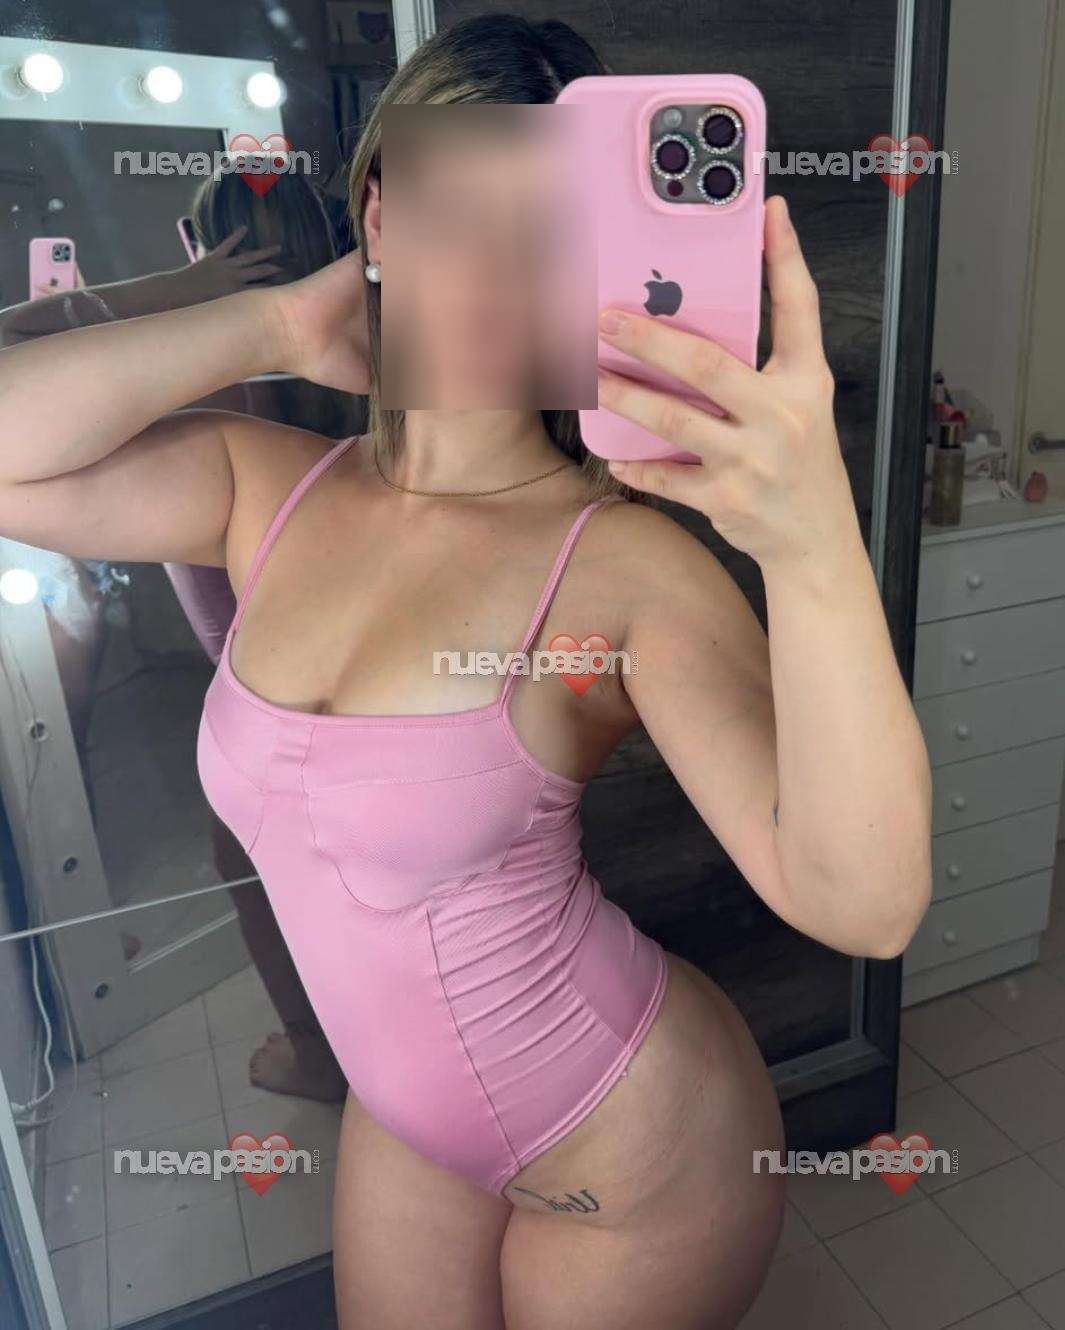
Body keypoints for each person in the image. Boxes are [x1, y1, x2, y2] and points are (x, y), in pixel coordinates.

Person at [0, 13, 932, 1328]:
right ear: (380, 218)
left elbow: (864, 904)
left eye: (549, 230)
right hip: (407, 1126)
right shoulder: (264, 489)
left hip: (633, 1152)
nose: (495, 270)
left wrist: (813, 538)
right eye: (456, 212)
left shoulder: (622, 566)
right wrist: (272, 322)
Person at [0, 171, 353, 1102]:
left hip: (270, 705)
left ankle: (319, 1053)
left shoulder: (191, 397)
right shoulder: (367, 374)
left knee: (252, 869)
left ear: (199, 245)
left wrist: (178, 291)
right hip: (376, 678)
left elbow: (11, 344)